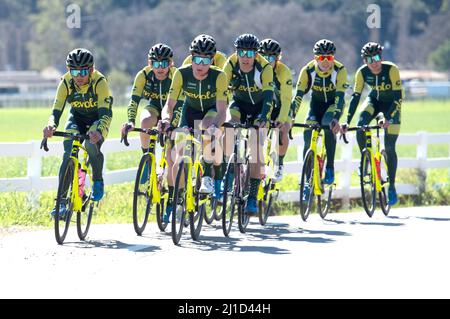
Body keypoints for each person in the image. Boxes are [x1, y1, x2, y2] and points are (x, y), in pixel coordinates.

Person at [159, 34, 229, 221]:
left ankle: (207, 176)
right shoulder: (181, 73)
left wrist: (216, 126)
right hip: (188, 112)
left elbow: (223, 110)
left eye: (206, 60)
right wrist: (166, 119)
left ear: (212, 59)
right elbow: (170, 104)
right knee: (178, 158)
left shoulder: (219, 76)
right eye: (197, 59)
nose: (200, 65)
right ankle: (179, 199)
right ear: (191, 57)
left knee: (207, 129)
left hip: (211, 111)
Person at [43, 48, 113, 216]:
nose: (79, 76)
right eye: (74, 71)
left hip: (98, 118)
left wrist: (99, 132)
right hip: (77, 118)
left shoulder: (99, 82)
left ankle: (97, 180)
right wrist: (51, 125)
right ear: (69, 70)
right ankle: (60, 202)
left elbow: (105, 113)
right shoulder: (66, 82)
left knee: (90, 144)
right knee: (68, 154)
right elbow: (56, 110)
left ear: (91, 69)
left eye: (83, 71)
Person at [342, 42, 403, 206]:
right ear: (364, 61)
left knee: (390, 148)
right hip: (374, 101)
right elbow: (355, 97)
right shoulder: (362, 73)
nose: (373, 62)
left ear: (381, 58)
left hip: (392, 106)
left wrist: (389, 117)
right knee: (361, 124)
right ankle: (366, 159)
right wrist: (347, 121)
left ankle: (392, 187)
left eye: (376, 58)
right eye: (369, 59)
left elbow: (398, 98)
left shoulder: (391, 69)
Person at [223, 33, 275, 214]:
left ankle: (252, 196)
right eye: (242, 53)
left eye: (250, 53)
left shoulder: (265, 67)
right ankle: (228, 176)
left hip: (260, 108)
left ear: (256, 54)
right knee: (228, 126)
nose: (245, 57)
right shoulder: (230, 63)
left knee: (256, 149)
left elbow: (269, 96)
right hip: (239, 105)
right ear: (237, 52)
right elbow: (221, 89)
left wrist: (263, 117)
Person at [291, 39, 348, 194]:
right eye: (320, 58)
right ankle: (308, 179)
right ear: (315, 58)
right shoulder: (307, 70)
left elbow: (340, 97)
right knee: (308, 133)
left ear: (333, 58)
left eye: (328, 58)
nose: (325, 61)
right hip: (315, 107)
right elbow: (298, 96)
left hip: (333, 105)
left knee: (327, 124)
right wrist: (291, 116)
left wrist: (336, 118)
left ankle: (330, 167)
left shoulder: (340, 70)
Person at [258, 38, 293, 183]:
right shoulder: (255, 70)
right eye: (264, 56)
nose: (267, 60)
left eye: (271, 57)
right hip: (263, 107)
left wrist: (282, 118)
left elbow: (286, 99)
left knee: (283, 129)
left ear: (278, 58)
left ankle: (279, 163)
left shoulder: (283, 71)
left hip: (281, 108)